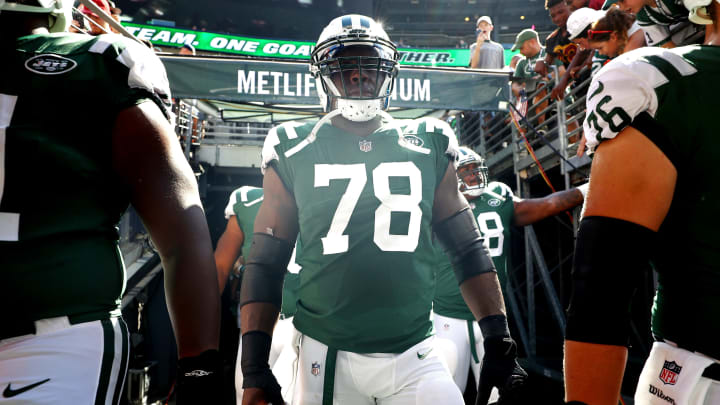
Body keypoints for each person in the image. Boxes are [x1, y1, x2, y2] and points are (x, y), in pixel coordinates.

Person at [238, 14, 527, 405]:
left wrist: (499, 340)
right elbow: (266, 264)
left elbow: (467, 249)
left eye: (370, 63)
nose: (360, 75)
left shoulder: (430, 141)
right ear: (323, 73)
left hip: (416, 351)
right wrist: (254, 367)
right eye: (346, 64)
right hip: (326, 353)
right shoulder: (293, 145)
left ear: (389, 72)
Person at [0, 3, 221, 404]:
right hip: (54, 335)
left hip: (50, 335)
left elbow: (182, 233)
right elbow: (183, 233)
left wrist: (200, 372)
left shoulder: (103, 64)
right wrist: (199, 373)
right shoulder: (104, 61)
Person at [563, 0, 720, 403]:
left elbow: (601, 285)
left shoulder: (661, 81)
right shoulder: (670, 84)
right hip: (698, 376)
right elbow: (603, 283)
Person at [433, 146, 587, 401]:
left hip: (492, 321)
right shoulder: (436, 203)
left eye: (475, 170)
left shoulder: (498, 197)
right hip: (446, 318)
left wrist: (585, 189)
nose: (473, 176)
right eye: (466, 171)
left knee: (495, 394)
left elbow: (545, 204)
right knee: (443, 393)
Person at [214, 185, 300, 403]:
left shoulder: (247, 200)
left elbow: (220, 268)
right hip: (274, 323)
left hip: (284, 324)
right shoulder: (247, 200)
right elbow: (220, 268)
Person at [610, 0, 704, 47]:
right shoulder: (642, 14)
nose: (621, 8)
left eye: (622, 0)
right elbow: (667, 48)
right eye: (617, 4)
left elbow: (713, 11)